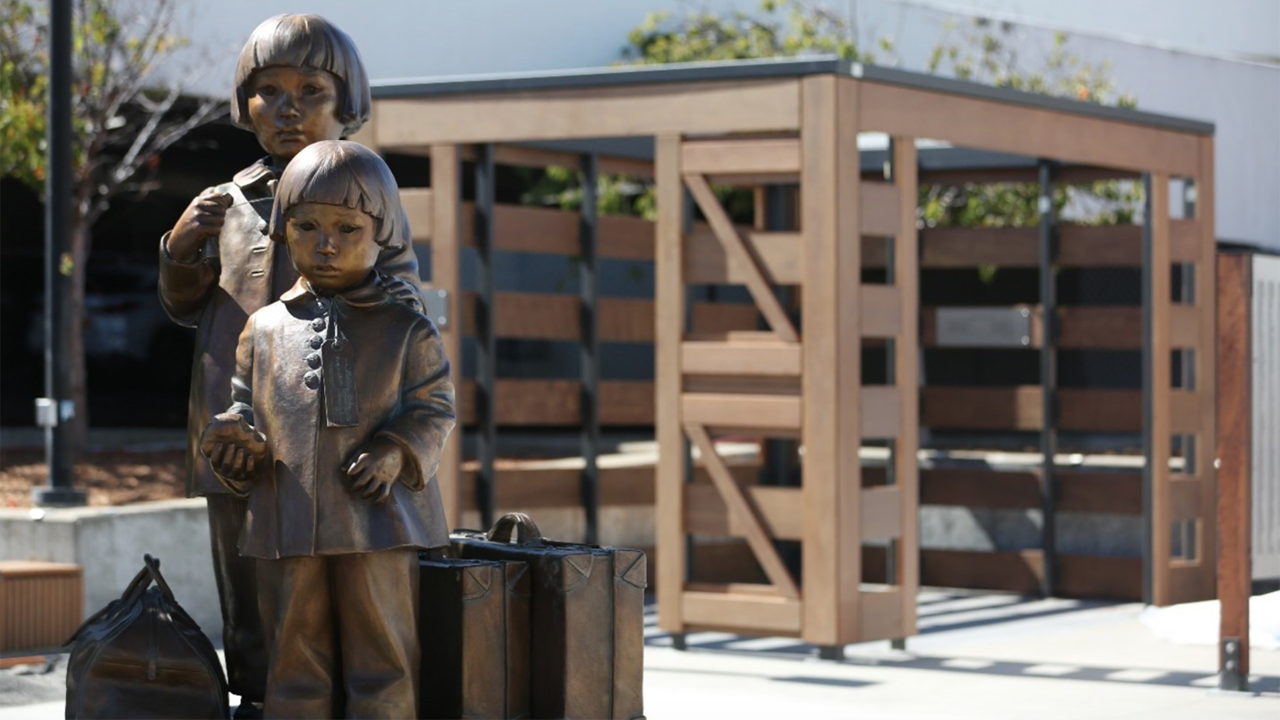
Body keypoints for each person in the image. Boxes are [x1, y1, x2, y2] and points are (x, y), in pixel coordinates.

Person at [156, 15, 421, 718]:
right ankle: (261, 693)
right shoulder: (229, 201)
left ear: (346, 101)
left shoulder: (364, 186)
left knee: (345, 575)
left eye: (310, 89)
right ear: (244, 104)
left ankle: (343, 697)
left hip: (336, 422)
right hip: (229, 410)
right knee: (244, 569)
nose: (288, 106)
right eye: (267, 91)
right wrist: (180, 246)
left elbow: (404, 298)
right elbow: (186, 305)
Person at [201, 140, 454, 718]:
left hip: (380, 522)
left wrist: (395, 451)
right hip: (286, 522)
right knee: (293, 663)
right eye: (308, 226)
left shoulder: (405, 328)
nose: (326, 243)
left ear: (380, 232)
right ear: (285, 230)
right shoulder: (263, 328)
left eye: (348, 229)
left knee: (383, 662)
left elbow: (434, 407)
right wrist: (236, 438)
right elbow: (246, 404)